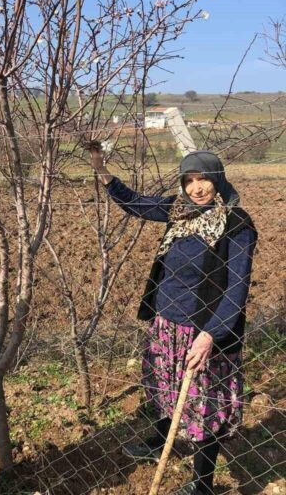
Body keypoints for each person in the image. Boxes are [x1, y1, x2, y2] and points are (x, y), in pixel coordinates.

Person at [89, 147, 257, 495]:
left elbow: (237, 289)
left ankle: (202, 485)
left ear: (219, 180)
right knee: (164, 387)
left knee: (204, 404)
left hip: (204, 330)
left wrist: (211, 335)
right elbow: (135, 203)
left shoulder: (237, 224)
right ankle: (160, 440)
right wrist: (100, 169)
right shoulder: (177, 210)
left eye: (204, 179)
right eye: (189, 180)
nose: (196, 188)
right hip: (167, 323)